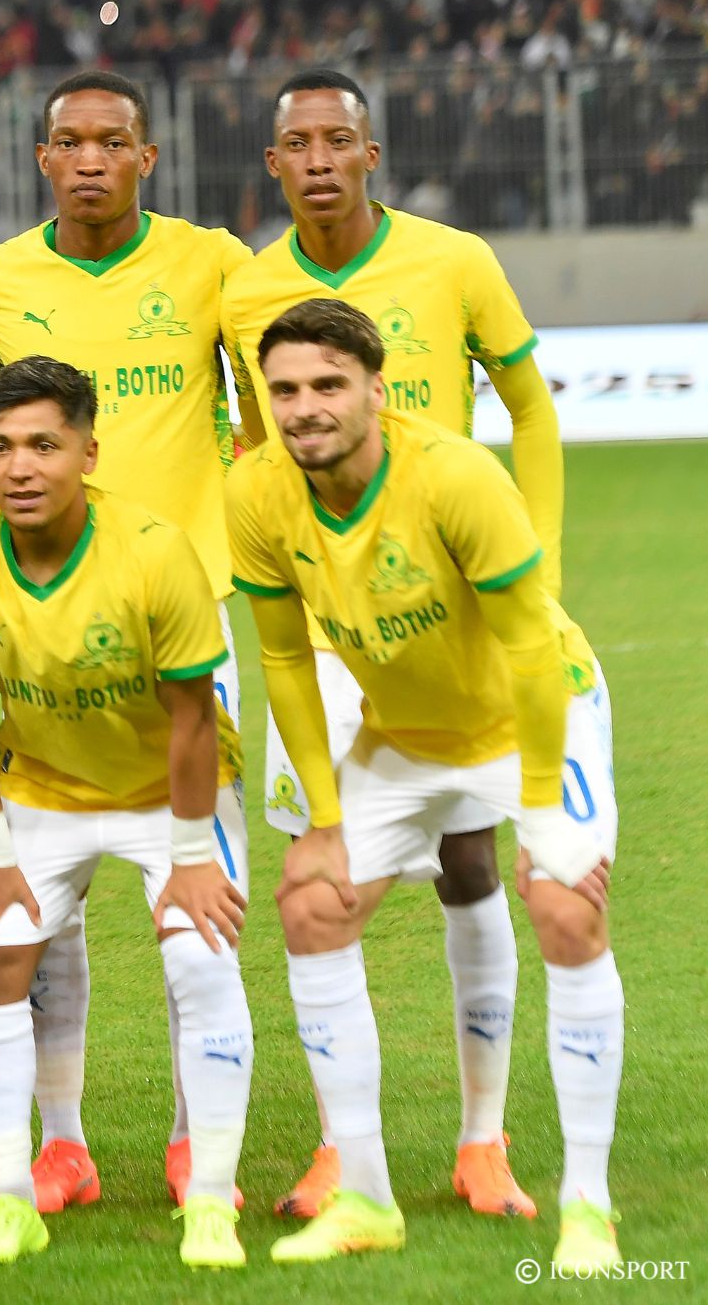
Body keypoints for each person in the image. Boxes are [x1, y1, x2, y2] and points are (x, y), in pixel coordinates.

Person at [220, 68, 568, 1218]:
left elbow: (528, 405)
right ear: (272, 163)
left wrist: (539, 566)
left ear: (369, 153)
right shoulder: (246, 289)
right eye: (297, 144)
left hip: (447, 616)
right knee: (318, 878)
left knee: (470, 865)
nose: (318, 159)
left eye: (338, 140)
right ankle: (340, 1148)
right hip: (324, 633)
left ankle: (482, 1138)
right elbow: (256, 443)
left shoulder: (453, 259)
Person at [231, 299, 620, 1272]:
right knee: (311, 901)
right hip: (400, 733)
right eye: (285, 389)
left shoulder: (452, 475)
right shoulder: (256, 492)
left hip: (531, 716)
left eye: (328, 384)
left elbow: (531, 648)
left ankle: (588, 1205)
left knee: (565, 907)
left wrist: (540, 805)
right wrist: (324, 820)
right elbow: (285, 661)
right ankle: (364, 1195)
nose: (304, 407)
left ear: (376, 389)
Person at [0, 68, 253, 1212]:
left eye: (110, 142)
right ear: (41, 160)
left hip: (182, 619)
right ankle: (60, 1142)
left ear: (145, 158)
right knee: (40, 901)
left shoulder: (211, 264)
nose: (87, 160)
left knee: (197, 901)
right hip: (35, 625)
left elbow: (265, 413)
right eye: (67, 142)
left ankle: (190, 1138)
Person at [0, 356, 254, 1270]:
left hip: (171, 793)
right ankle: (9, 1203)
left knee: (201, 954)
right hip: (45, 789)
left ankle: (212, 1200)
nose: (20, 467)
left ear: (88, 453)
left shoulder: (154, 550)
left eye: (43, 444)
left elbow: (194, 718)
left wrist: (193, 854)